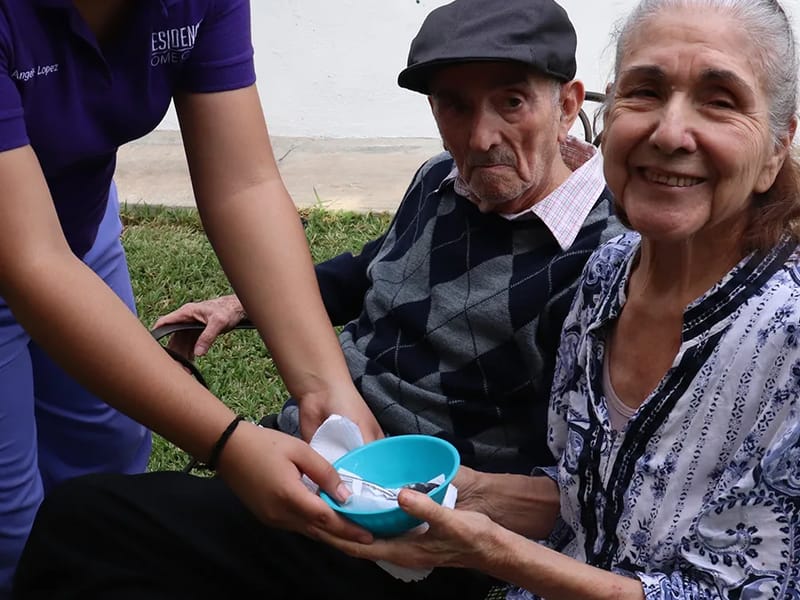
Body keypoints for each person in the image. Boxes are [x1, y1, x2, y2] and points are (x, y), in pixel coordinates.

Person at [12, 0, 625, 598]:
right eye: (455, 106)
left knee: (83, 521)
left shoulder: (605, 264)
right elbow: (367, 269)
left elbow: (597, 481)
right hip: (313, 460)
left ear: (568, 104)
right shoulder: (440, 181)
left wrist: (453, 500)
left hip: (401, 525)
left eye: (511, 102)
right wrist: (243, 305)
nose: (481, 135)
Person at [297, 0, 800, 598]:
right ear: (609, 112)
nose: (668, 132)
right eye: (644, 91)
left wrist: (493, 551)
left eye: (720, 100)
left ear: (777, 146)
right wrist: (442, 496)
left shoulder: (784, 338)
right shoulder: (610, 277)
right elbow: (580, 495)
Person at [0, 1, 379, 596]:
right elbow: (30, 261)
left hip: (75, 228)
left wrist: (323, 385)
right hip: (25, 243)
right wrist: (228, 442)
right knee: (8, 518)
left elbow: (244, 183)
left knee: (106, 459)